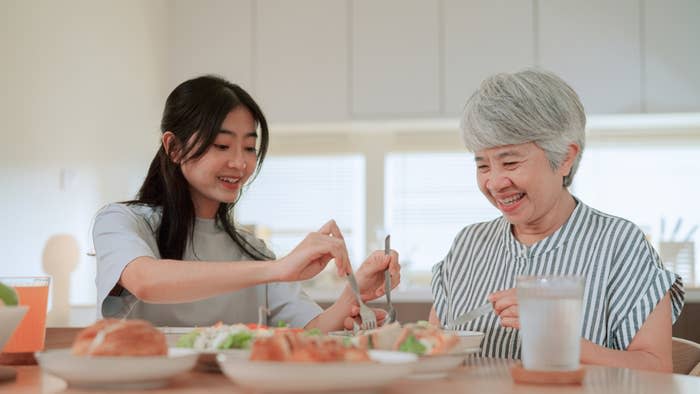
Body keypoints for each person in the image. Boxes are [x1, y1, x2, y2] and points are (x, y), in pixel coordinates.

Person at [93, 75, 399, 332]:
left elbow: (311, 332)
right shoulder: (121, 222)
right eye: (222, 145)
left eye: (250, 148)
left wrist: (351, 296)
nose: (240, 163)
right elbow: (146, 281)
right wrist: (276, 269)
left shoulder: (255, 254)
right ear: (173, 147)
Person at [429, 69, 684, 372]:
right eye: (483, 165)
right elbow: (430, 348)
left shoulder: (620, 244)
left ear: (565, 158)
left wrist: (555, 335)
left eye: (510, 162)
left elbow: (656, 370)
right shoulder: (468, 245)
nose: (495, 182)